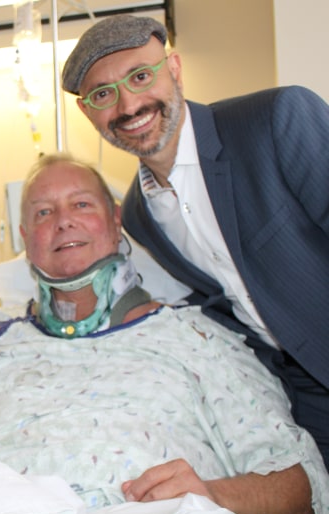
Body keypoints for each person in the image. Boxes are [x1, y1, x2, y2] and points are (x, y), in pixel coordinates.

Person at [0, 153, 329, 514]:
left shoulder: (202, 339)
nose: (63, 221)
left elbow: (304, 486)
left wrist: (214, 494)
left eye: (81, 204)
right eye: (43, 212)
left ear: (115, 218)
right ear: (25, 237)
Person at [60, 14, 329, 472]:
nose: (128, 104)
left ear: (176, 69)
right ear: (88, 112)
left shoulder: (275, 121)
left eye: (141, 76)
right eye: (104, 95)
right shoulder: (142, 217)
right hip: (307, 400)